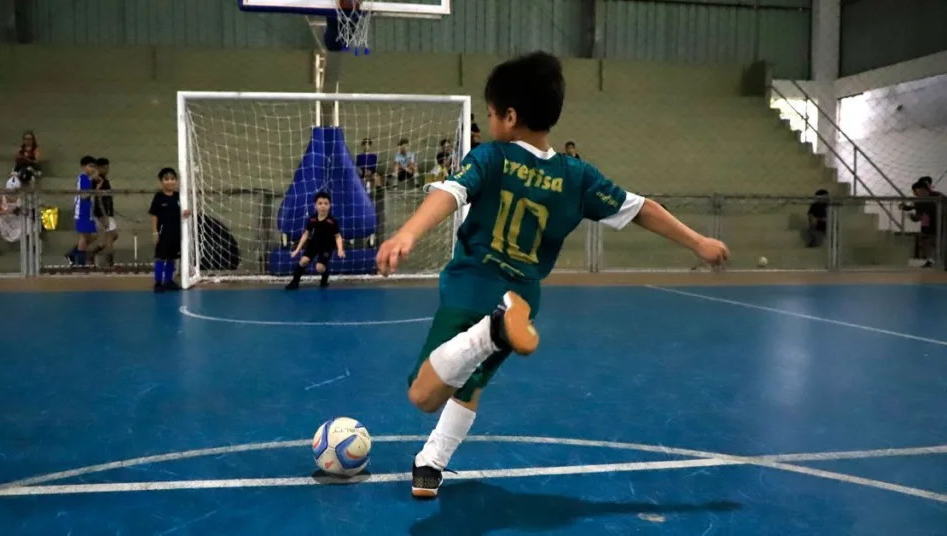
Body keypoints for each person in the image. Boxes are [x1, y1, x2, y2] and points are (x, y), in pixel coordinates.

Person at [374, 51, 730, 499]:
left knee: (424, 395)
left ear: (509, 116)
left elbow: (450, 191)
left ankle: (491, 333)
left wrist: (407, 232)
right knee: (472, 380)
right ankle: (432, 461)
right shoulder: (576, 175)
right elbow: (642, 209)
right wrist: (698, 242)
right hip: (522, 294)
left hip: (473, 286)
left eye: (489, 113)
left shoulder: (492, 157)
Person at [286, 191, 346, 290]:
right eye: (320, 203)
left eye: (326, 203)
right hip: (314, 244)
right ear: (315, 205)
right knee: (303, 261)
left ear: (329, 206)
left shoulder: (332, 221)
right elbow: (306, 234)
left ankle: (324, 277)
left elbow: (338, 236)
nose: (323, 206)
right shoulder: (312, 219)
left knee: (319, 268)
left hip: (327, 246)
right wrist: (297, 250)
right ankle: (294, 282)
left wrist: (340, 249)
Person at [149, 167, 190, 291]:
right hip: (163, 233)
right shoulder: (159, 197)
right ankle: (158, 283)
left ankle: (168, 281)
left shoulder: (179, 197)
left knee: (172, 257)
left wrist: (187, 212)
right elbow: (154, 215)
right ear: (161, 182)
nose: (170, 181)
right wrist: (155, 232)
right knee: (161, 257)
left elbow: (183, 212)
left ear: (176, 181)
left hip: (176, 233)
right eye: (166, 179)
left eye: (172, 179)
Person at [67, 156, 99, 267]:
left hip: (88, 210)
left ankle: (73, 254)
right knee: (83, 237)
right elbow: (84, 195)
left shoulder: (89, 179)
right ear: (83, 167)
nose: (93, 169)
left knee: (92, 235)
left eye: (94, 166)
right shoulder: (84, 178)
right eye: (90, 166)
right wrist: (94, 190)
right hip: (82, 210)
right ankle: (80, 262)